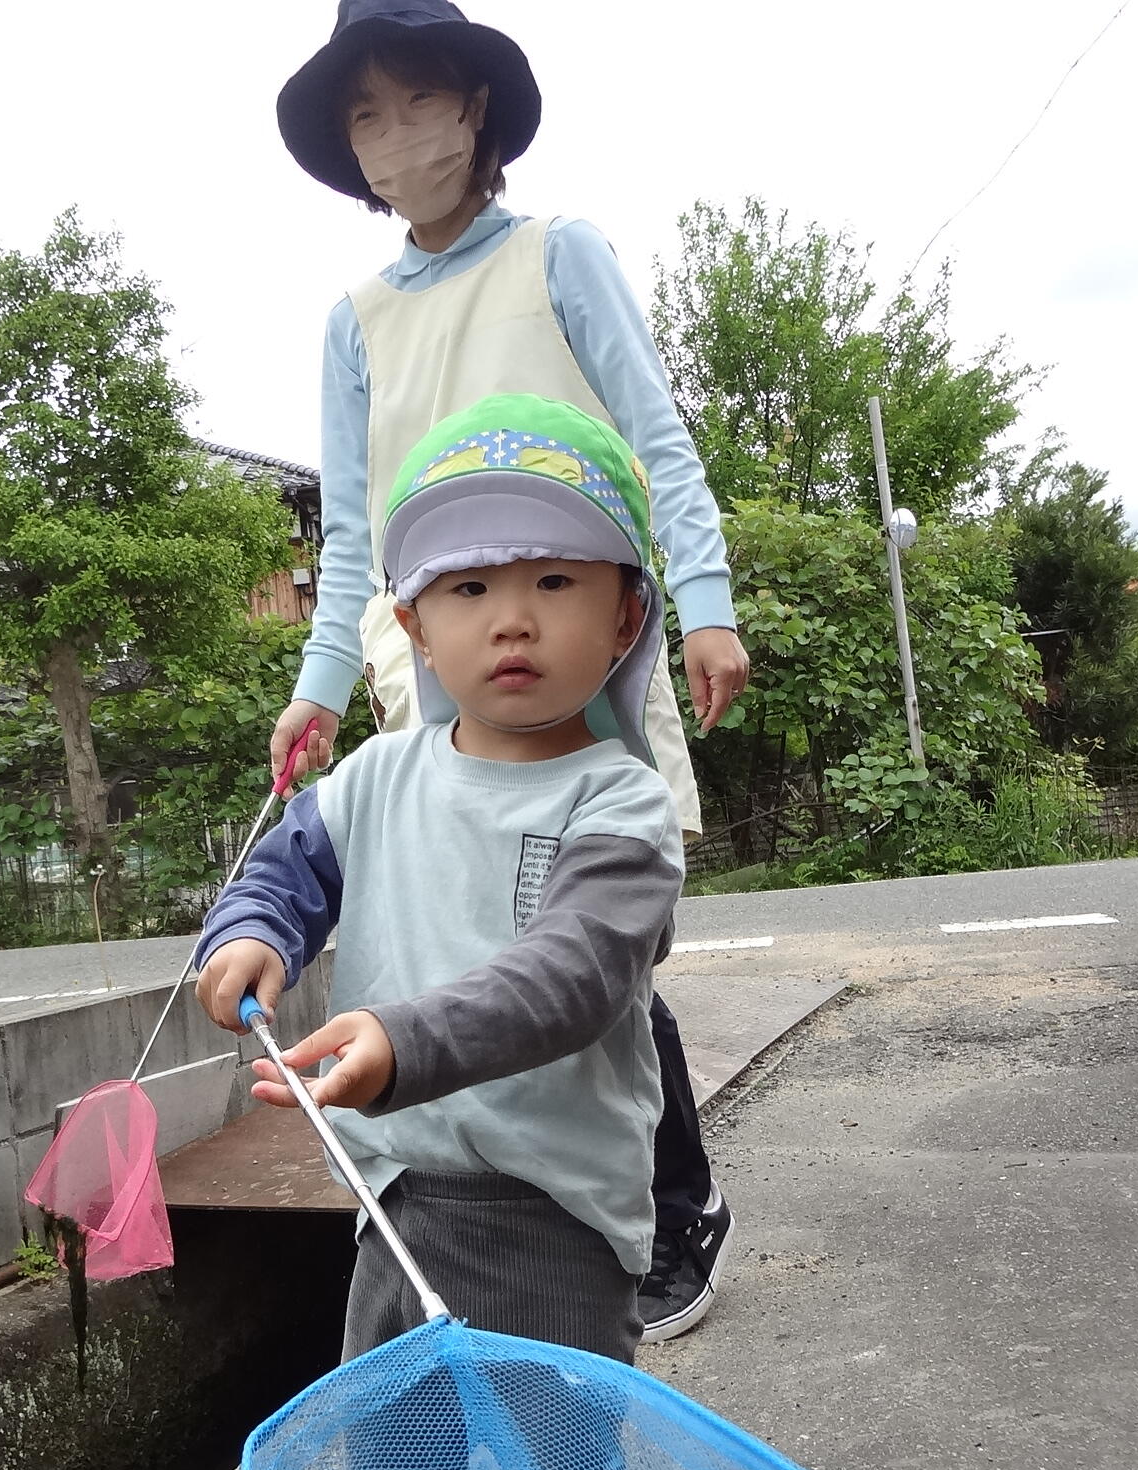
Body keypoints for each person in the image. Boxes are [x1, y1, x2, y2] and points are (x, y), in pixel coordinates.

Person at [269, 0, 741, 1339]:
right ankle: (468, 1195)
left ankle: (669, 1203)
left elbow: (656, 438)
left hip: (577, 617)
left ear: (475, 112)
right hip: (430, 650)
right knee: (466, 935)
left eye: (416, 104)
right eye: (365, 116)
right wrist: (316, 689)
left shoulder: (557, 255)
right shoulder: (354, 321)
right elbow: (353, 534)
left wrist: (702, 604)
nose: (392, 139)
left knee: (593, 930)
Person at [196, 396, 681, 1363]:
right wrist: (250, 932)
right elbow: (281, 876)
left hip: (557, 1223)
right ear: (415, 625)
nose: (510, 620)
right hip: (395, 1201)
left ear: (626, 617)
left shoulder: (622, 804)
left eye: (552, 579)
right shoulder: (374, 776)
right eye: (465, 589)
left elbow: (575, 973)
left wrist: (403, 1039)